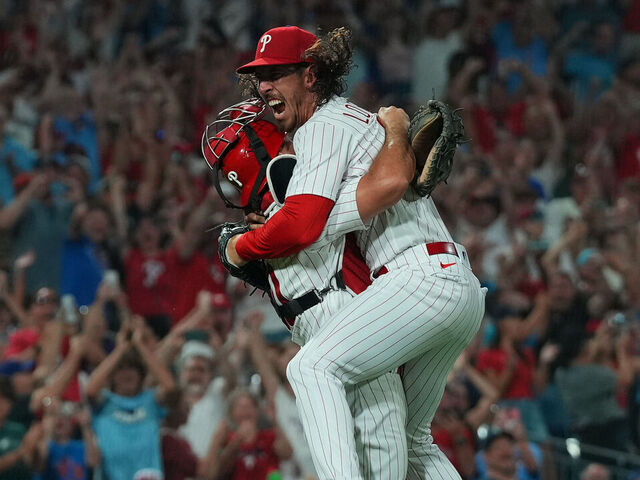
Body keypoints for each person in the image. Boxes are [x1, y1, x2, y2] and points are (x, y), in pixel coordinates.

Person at [221, 25, 486, 480]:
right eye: (260, 76)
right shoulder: (353, 122)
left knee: (311, 369)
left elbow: (305, 223)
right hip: (456, 284)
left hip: (418, 278)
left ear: (310, 75)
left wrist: (243, 248)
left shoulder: (321, 126)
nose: (264, 85)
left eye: (278, 73)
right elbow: (326, 217)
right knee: (414, 440)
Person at [85, 318, 176, 480]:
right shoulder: (105, 402)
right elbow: (90, 389)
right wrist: (121, 348)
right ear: (112, 376)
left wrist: (140, 345)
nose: (127, 374)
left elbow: (170, 387)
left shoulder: (150, 400)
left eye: (132, 368)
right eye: (121, 369)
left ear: (140, 374)